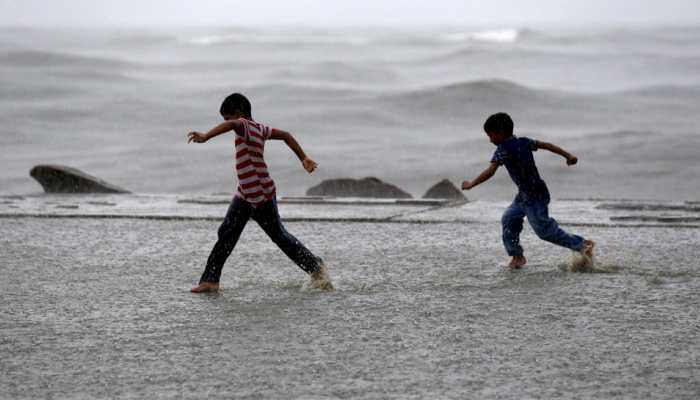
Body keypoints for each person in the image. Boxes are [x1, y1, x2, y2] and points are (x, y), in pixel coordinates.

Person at [187, 93, 333, 292]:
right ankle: (210, 280)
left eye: (228, 118)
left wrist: (206, 136)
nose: (228, 124)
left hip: (261, 195)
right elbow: (286, 136)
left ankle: (316, 268)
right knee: (226, 233)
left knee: (280, 236)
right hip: (245, 193)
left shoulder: (244, 126)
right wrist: (303, 158)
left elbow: (233, 125)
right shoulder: (261, 128)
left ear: (239, 113)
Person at [461, 112, 594, 269]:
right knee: (509, 220)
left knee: (543, 230)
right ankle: (517, 256)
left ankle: (582, 244)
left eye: (491, 135)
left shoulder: (502, 150)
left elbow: (490, 171)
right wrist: (567, 155)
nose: (490, 140)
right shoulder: (524, 142)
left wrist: (471, 184)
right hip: (523, 195)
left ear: (501, 133)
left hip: (535, 195)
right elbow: (547, 145)